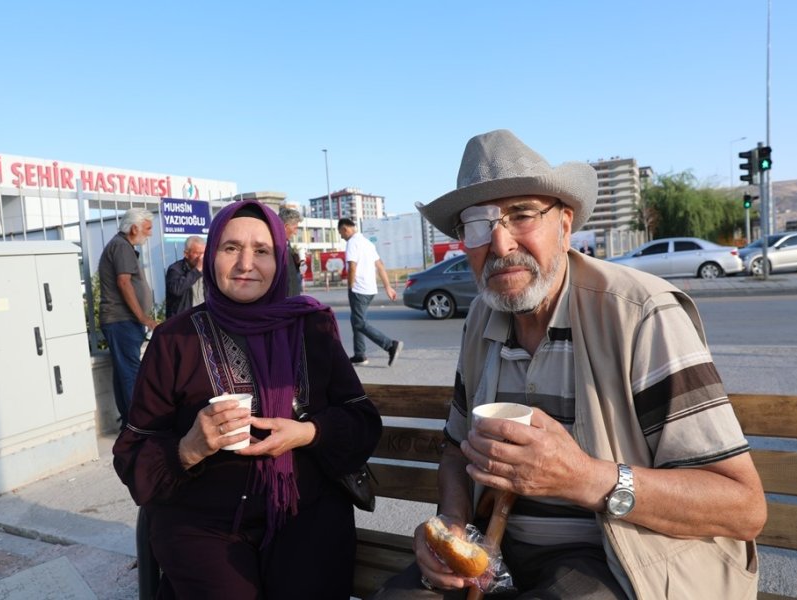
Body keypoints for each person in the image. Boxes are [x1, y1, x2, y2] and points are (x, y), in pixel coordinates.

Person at [373, 130, 765, 600]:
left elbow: (743, 506)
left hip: (623, 556)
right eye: (477, 224)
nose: (499, 244)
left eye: (520, 215)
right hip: (500, 552)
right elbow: (457, 450)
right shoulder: (482, 317)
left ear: (564, 224)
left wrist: (584, 477)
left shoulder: (641, 312)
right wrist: (453, 526)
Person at [113, 200, 382, 599]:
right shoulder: (175, 339)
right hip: (202, 523)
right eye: (230, 248)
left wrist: (308, 432)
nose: (245, 264)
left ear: (279, 260)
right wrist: (188, 448)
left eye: (261, 251)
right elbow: (132, 453)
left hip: (305, 514)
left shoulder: (312, 328)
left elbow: (362, 425)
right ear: (211, 256)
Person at [98, 207, 157, 430]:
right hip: (121, 320)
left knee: (124, 372)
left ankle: (129, 422)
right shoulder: (122, 247)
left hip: (121, 321)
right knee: (131, 373)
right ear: (134, 228)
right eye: (148, 228)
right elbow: (124, 282)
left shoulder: (122, 245)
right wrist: (143, 317)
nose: (150, 233)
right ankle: (138, 426)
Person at [337, 217, 403, 367]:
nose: (341, 237)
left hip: (359, 289)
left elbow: (352, 267)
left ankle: (390, 345)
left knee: (359, 322)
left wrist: (350, 286)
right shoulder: (367, 243)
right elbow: (380, 265)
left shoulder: (352, 243)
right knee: (356, 320)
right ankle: (360, 355)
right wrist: (388, 287)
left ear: (345, 229)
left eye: (341, 233)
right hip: (370, 289)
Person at [165, 235, 206, 318]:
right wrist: (197, 270)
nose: (201, 257)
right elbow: (176, 290)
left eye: (204, 253)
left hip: (204, 318)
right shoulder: (175, 269)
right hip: (183, 320)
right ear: (186, 254)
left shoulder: (208, 269)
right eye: (198, 253)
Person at [278, 206, 304, 296]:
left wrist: (296, 262)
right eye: (295, 228)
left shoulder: (287, 243)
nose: (296, 232)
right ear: (285, 226)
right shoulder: (275, 246)